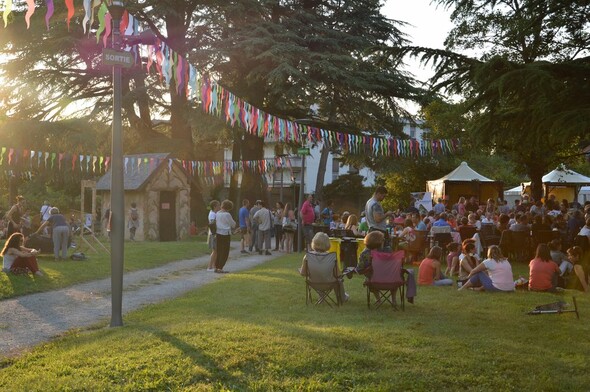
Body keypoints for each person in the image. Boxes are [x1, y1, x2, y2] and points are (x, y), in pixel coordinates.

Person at [299, 232, 348, 302]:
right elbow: (338, 274)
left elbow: (303, 273)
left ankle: (321, 297)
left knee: (319, 274)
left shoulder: (308, 256)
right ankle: (343, 298)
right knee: (338, 280)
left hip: (313, 283)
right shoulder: (331, 257)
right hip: (330, 283)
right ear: (327, 243)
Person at [214, 200, 236, 273]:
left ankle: (216, 266)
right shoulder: (227, 214)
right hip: (225, 233)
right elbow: (233, 224)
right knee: (225, 251)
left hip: (218, 233)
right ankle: (220, 267)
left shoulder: (217, 213)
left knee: (219, 250)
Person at [207, 200, 220, 272]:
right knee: (215, 251)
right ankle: (209, 267)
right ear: (215, 206)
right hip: (213, 234)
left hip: (214, 234)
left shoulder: (214, 213)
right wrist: (215, 234)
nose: (220, 206)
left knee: (216, 251)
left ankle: (214, 266)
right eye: (218, 205)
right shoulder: (212, 214)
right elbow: (212, 225)